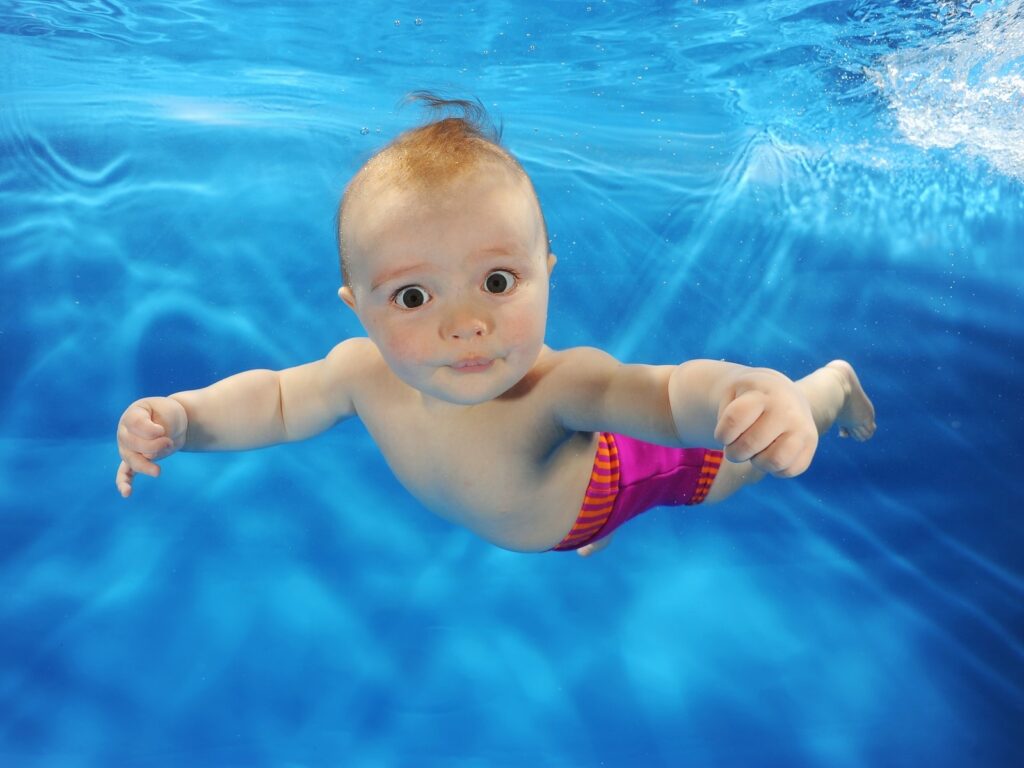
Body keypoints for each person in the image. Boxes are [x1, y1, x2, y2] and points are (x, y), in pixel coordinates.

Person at [114, 93, 876, 557]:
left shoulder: (560, 385)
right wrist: (181, 420)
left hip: (617, 477)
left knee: (733, 464)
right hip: (557, 505)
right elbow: (274, 402)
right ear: (360, 310)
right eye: (414, 298)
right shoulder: (358, 374)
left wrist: (754, 391)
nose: (468, 325)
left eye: (498, 281)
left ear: (547, 270)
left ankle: (826, 390)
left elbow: (672, 395)